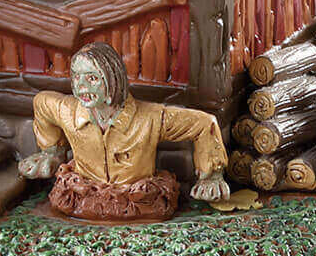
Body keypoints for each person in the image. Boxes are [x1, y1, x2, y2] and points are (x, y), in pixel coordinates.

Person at [18, 42, 229, 204]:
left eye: (92, 78)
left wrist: (211, 175)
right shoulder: (68, 111)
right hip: (83, 194)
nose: (81, 87)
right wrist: (52, 151)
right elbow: (42, 102)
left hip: (138, 198)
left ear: (114, 79)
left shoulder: (150, 118)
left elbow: (203, 123)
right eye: (76, 77)